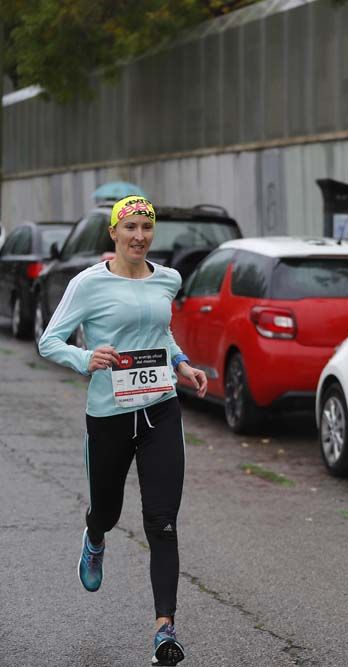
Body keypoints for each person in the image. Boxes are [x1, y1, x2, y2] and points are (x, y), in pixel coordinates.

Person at [38, 195, 208, 666]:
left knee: (162, 522)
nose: (139, 236)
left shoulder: (167, 279)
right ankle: (95, 537)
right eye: (130, 227)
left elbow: (162, 333)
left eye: (146, 228)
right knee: (109, 511)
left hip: (160, 409)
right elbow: (49, 340)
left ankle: (164, 631)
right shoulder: (87, 283)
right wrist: (84, 358)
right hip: (109, 415)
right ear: (113, 233)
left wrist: (181, 363)